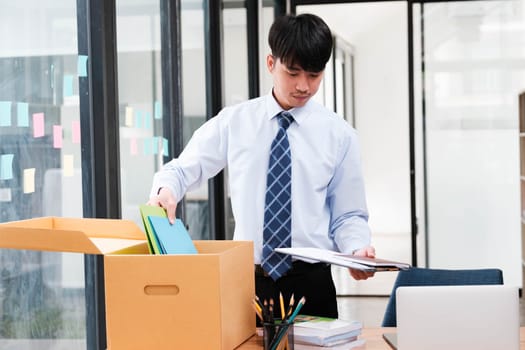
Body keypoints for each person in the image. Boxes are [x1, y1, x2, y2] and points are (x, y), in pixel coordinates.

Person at [148, 13, 375, 319]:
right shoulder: (236, 122)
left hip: (312, 285)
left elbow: (348, 215)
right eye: (292, 73)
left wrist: (357, 250)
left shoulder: (340, 136)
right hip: (246, 282)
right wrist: (167, 190)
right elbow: (180, 169)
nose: (304, 86)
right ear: (271, 64)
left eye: (314, 75)